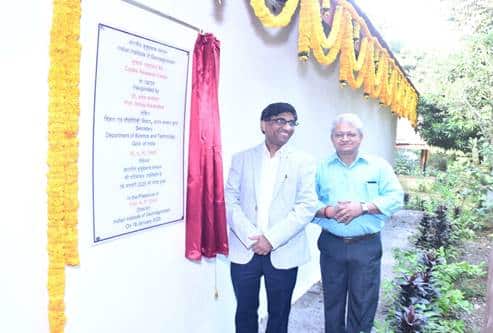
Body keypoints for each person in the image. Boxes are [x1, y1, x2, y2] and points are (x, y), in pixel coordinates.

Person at [225, 102, 319, 333]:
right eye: (280, 120)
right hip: (245, 249)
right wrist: (253, 237)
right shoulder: (242, 158)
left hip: (284, 251)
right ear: (263, 124)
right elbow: (229, 200)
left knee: (279, 314)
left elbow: (307, 206)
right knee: (245, 311)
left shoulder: (304, 161)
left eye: (291, 122)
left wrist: (271, 239)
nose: (287, 127)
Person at [313, 113, 404, 333]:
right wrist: (328, 211)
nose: (345, 138)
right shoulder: (320, 168)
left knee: (363, 304)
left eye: (350, 134)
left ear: (361, 137)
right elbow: (306, 202)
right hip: (331, 245)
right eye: (339, 134)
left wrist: (363, 207)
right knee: (332, 303)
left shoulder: (378, 166)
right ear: (332, 138)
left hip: (366, 246)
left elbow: (395, 197)